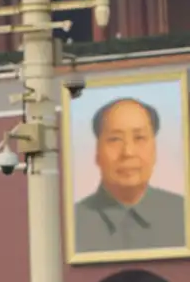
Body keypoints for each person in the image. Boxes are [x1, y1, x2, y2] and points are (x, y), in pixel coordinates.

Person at [73, 97, 186, 254]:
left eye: (139, 138)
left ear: (155, 150)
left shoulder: (182, 213)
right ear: (97, 153)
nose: (128, 152)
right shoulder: (72, 223)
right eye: (115, 139)